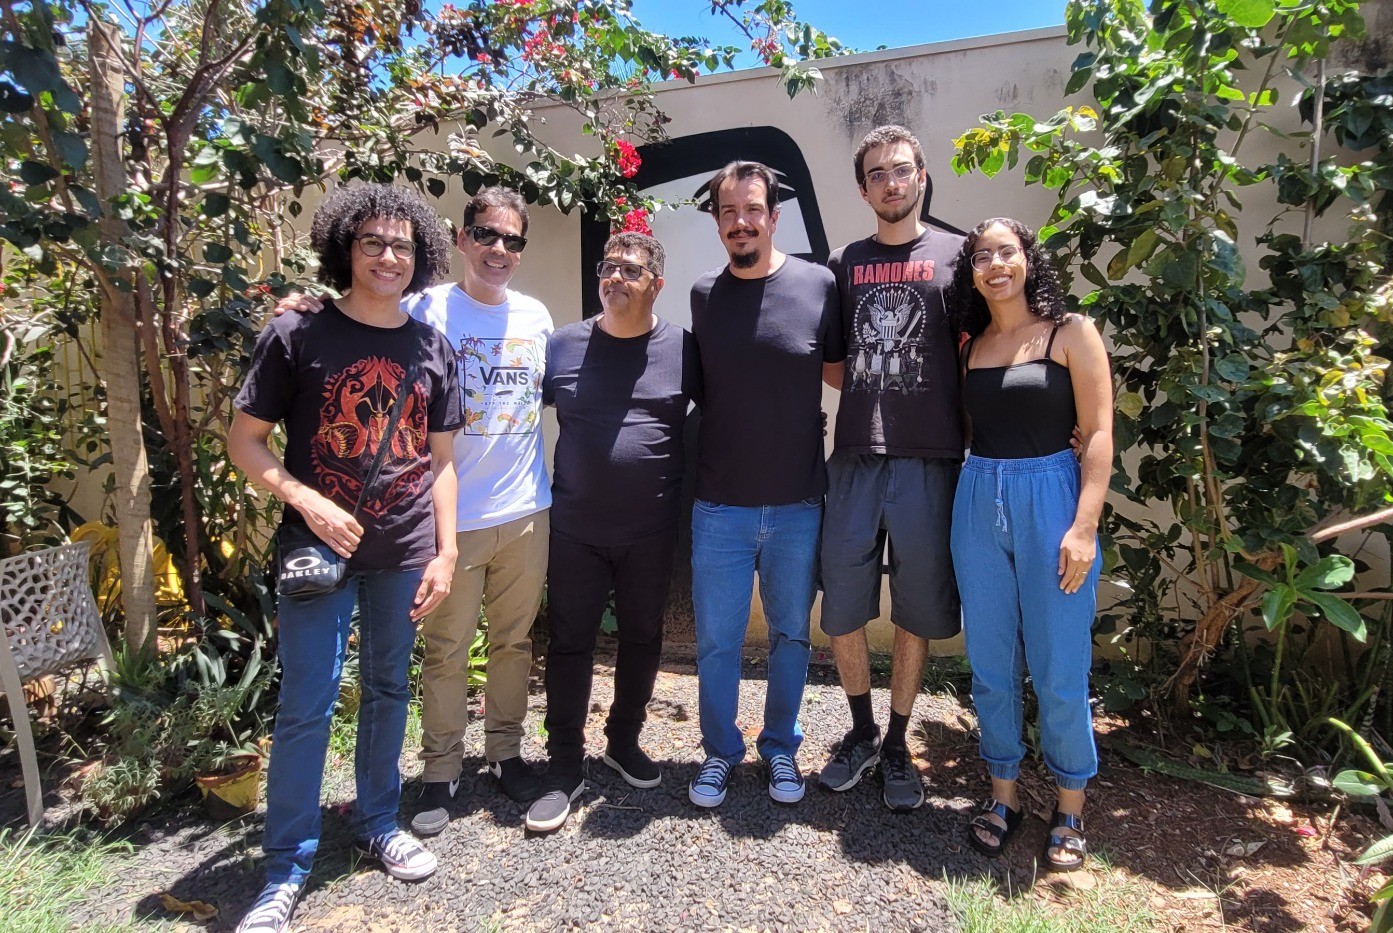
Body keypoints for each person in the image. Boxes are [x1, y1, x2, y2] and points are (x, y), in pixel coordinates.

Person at [272, 187, 553, 834]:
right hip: (441, 520)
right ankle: (439, 769)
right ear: (459, 238)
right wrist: (303, 301)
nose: (498, 250)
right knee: (445, 650)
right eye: (486, 234)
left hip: (524, 509)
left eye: (512, 239)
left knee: (512, 643)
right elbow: (354, 309)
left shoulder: (537, 317)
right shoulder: (424, 305)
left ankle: (505, 754)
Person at [229, 184, 462, 933]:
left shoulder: (432, 346)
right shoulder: (296, 334)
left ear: (419, 255)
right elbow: (245, 440)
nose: (388, 256)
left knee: (390, 688)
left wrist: (446, 549)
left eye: (401, 245)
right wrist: (307, 499)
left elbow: (442, 463)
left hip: (402, 551)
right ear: (345, 249)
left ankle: (377, 821)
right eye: (372, 242)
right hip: (317, 551)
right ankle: (286, 866)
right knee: (308, 703)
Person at [946, 217, 1113, 871]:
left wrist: (1083, 524)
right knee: (989, 664)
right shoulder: (971, 347)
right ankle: (1003, 794)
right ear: (972, 272)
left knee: (1057, 667)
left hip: (1052, 499)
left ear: (1027, 260)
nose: (994, 264)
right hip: (978, 498)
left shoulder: (1070, 332)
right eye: (981, 255)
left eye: (1005, 251)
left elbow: (1097, 433)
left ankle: (1069, 804)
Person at [525, 232, 701, 833]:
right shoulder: (564, 346)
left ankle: (623, 741)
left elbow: (731, 406)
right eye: (608, 267)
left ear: (657, 282)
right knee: (569, 643)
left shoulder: (683, 348)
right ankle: (564, 763)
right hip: (574, 527)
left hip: (651, 529)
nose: (615, 277)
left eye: (631, 269)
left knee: (642, 638)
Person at [686, 161, 846, 808]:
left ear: (773, 216)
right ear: (718, 221)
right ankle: (721, 750)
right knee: (718, 641)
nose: (740, 222)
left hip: (796, 501)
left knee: (790, 635)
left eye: (752, 209)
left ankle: (780, 746)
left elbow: (840, 372)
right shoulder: (703, 294)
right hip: (718, 502)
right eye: (728, 212)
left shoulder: (818, 284)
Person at [818, 125, 964, 811]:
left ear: (922, 174)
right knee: (841, 605)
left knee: (914, 610)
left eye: (901, 169)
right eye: (876, 173)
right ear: (862, 187)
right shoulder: (842, 262)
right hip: (853, 457)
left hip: (930, 459)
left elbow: (975, 355)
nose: (890, 182)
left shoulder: (959, 257)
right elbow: (829, 360)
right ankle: (859, 730)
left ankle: (899, 744)